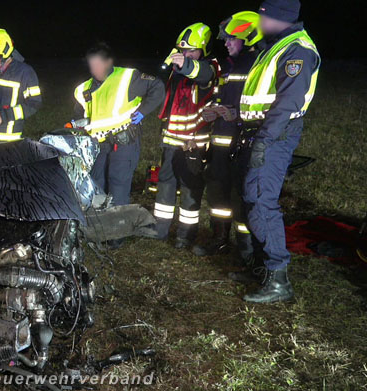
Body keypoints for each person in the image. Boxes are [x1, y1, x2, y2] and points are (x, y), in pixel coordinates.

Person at [237, 0, 320, 303]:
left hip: (273, 136)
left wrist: (264, 142)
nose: (258, 21)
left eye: (262, 16)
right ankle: (261, 268)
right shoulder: (275, 46)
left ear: (278, 17)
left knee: (261, 201)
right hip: (260, 133)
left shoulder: (297, 49)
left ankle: (278, 279)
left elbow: (287, 104)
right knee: (251, 199)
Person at [193, 11, 262, 258]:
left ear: (248, 37)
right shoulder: (229, 67)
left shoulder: (259, 66)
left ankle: (246, 251)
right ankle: (220, 239)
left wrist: (238, 115)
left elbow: (266, 106)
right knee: (218, 193)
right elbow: (220, 97)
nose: (226, 42)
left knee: (241, 197)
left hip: (243, 145)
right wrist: (212, 110)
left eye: (232, 38)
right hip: (220, 144)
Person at [72, 42, 165, 212]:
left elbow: (157, 88)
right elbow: (79, 116)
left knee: (118, 185)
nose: (95, 69)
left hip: (123, 142)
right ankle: (98, 227)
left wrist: (143, 112)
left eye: (99, 64)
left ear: (108, 62)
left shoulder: (127, 78)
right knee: (96, 182)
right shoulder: (83, 88)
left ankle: (117, 233)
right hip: (98, 145)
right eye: (92, 65)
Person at [153, 23, 220, 248]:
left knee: (191, 191)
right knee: (165, 186)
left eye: (192, 50)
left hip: (194, 144)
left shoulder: (210, 67)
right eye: (183, 50)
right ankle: (159, 231)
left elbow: (202, 75)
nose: (186, 54)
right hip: (171, 141)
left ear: (205, 50)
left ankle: (185, 236)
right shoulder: (177, 70)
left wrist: (186, 64)